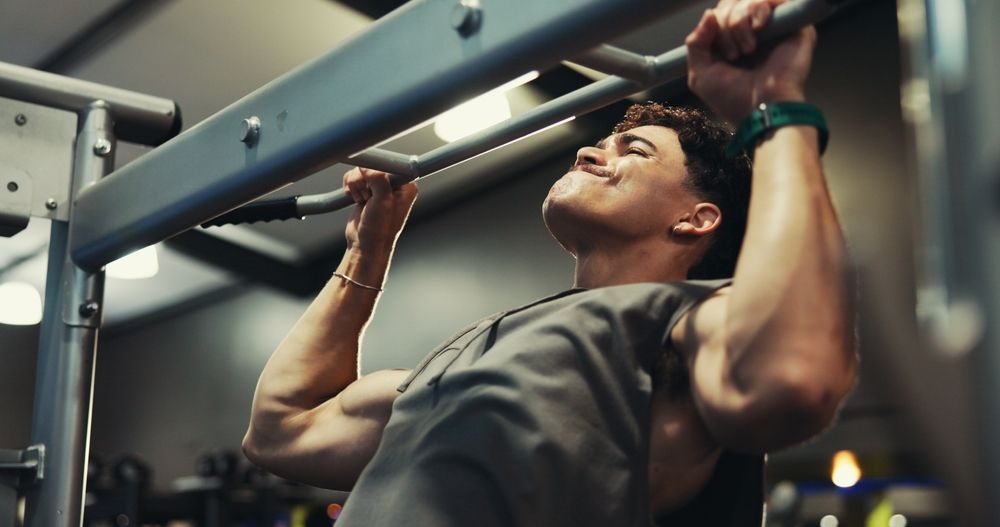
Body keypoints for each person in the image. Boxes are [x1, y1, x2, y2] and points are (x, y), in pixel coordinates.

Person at [242, 0, 858, 524]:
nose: (591, 151)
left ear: (696, 219)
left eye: (634, 149)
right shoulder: (472, 352)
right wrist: (368, 244)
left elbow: (794, 377)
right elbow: (282, 428)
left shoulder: (685, 324)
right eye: (603, 139)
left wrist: (773, 108)